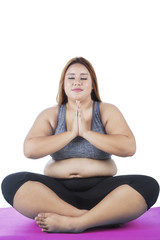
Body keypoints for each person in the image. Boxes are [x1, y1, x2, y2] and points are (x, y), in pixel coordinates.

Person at [1, 57, 159, 233]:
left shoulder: (106, 110)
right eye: (71, 77)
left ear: (92, 85)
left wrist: (86, 132)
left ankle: (76, 223)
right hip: (56, 195)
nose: (77, 81)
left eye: (84, 78)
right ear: (63, 85)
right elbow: (30, 150)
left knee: (148, 185)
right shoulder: (51, 114)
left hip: (102, 193)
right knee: (12, 182)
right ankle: (90, 217)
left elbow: (128, 147)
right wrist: (70, 134)